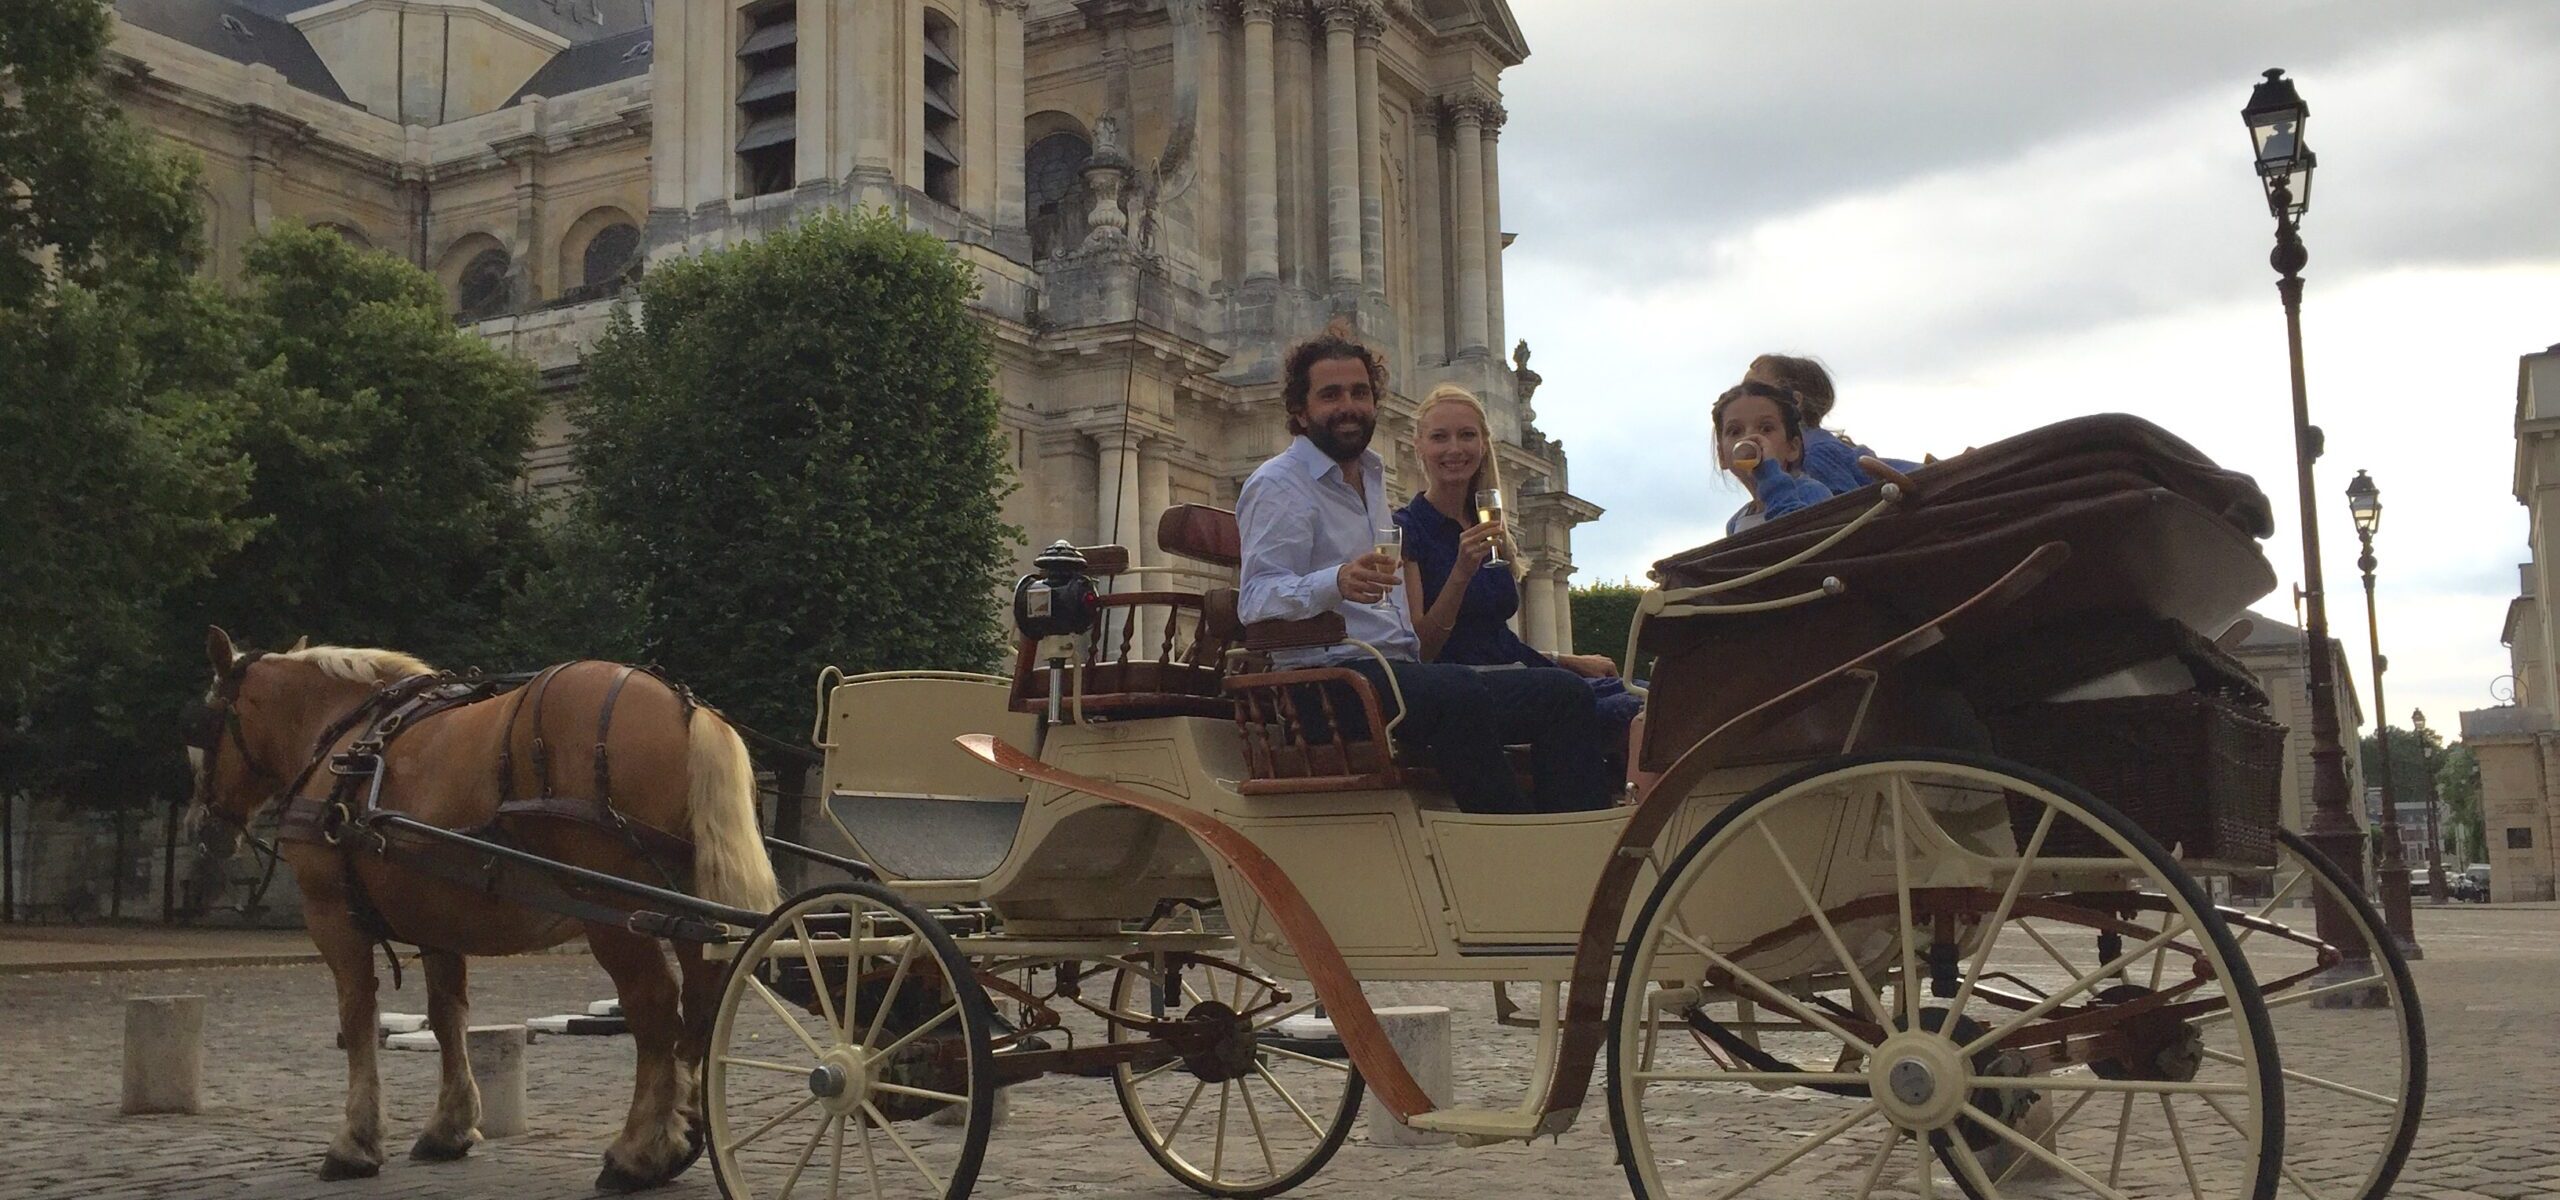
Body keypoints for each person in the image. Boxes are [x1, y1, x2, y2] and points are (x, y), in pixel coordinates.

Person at [1236, 327, 1612, 815]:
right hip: (1327, 682)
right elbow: (1255, 599)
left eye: (1360, 392)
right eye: (1330, 395)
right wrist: (1336, 581)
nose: (1348, 405)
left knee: (1562, 696)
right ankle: (1506, 838)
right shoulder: (1279, 486)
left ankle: (1574, 834)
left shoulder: (1368, 477)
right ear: (1300, 411)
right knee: (1455, 691)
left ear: (1375, 402)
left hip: (1394, 675)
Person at [1396, 384, 1642, 774]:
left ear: (1483, 444)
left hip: (1516, 672)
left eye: (1467, 435)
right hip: (1464, 689)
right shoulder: (1408, 530)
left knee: (1650, 693)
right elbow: (1422, 648)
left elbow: (1492, 638)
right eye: (1439, 437)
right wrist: (1460, 573)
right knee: (1627, 709)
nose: (1454, 448)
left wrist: (1566, 659)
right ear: (1419, 445)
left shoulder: (1487, 523)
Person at [1745, 353, 1919, 494]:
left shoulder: (1814, 454)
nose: (1741, 399)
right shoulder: (1808, 452)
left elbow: (1842, 515)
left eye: (1756, 391)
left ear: (1795, 402)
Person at [1717, 379, 1835, 535]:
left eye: (1766, 428)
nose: (1750, 437)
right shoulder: (1736, 522)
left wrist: (1770, 475)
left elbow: (1797, 538)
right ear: (1722, 457)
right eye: (1735, 431)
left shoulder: (1811, 492)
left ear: (1792, 448)